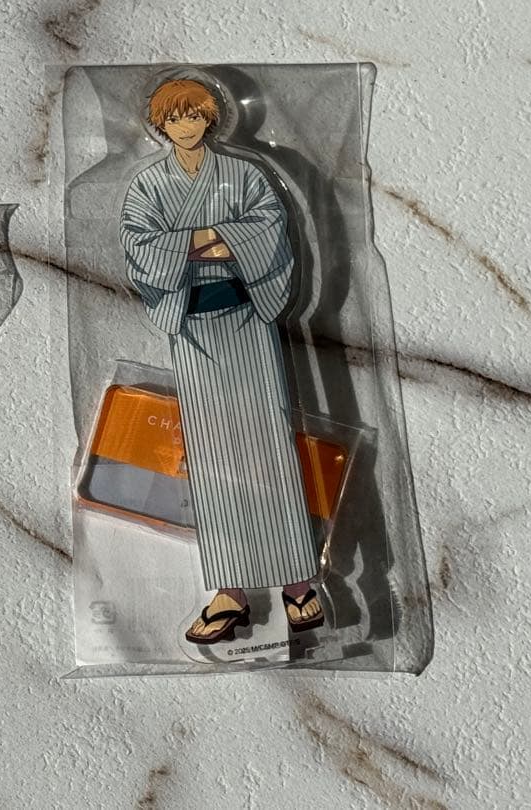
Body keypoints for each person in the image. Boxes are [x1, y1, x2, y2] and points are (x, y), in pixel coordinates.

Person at [120, 78, 323, 644]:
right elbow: (139, 246)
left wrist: (194, 240)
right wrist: (211, 241)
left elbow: (269, 230)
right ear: (160, 126)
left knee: (269, 444)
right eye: (174, 119)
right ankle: (231, 593)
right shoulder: (147, 185)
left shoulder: (244, 175)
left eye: (194, 116)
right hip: (192, 326)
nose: (185, 127)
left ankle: (299, 585)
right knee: (212, 454)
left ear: (211, 119)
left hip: (249, 320)